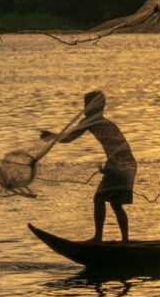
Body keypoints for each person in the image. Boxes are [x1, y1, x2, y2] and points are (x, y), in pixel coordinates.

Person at [43, 91, 137, 242]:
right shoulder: (102, 121)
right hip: (127, 163)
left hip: (121, 164)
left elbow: (69, 138)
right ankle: (124, 241)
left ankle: (99, 238)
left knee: (99, 198)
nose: (84, 109)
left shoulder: (91, 121)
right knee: (115, 204)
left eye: (87, 105)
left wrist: (52, 136)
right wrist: (111, 166)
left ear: (96, 107)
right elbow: (118, 146)